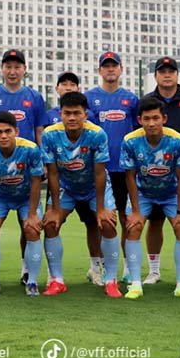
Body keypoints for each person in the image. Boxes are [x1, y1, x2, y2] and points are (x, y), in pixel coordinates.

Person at [40, 92, 121, 298]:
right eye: (67, 113)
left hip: (95, 187)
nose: (72, 117)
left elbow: (100, 171)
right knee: (50, 223)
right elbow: (53, 172)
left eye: (77, 113)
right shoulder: (50, 135)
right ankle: (56, 280)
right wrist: (55, 208)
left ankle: (111, 280)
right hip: (67, 187)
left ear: (85, 114)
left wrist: (102, 208)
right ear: (61, 114)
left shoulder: (97, 134)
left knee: (109, 223)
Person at [119, 97, 180, 301]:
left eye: (156, 118)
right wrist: (135, 211)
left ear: (164, 118)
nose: (151, 123)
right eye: (147, 119)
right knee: (133, 227)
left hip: (171, 193)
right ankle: (135, 283)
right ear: (139, 120)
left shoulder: (178, 140)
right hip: (143, 192)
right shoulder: (130, 141)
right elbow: (129, 176)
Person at [141, 57, 180, 286]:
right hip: (153, 172)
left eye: (171, 71)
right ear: (155, 75)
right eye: (162, 71)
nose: (167, 75)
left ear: (177, 75)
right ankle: (154, 271)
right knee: (154, 222)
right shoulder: (146, 101)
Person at [41, 71, 101, 288]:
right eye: (63, 83)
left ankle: (96, 269)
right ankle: (53, 275)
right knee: (51, 221)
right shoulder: (49, 119)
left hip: (88, 180)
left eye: (72, 84)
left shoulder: (92, 123)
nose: (68, 87)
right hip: (62, 181)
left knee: (95, 223)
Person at [84, 51, 139, 284]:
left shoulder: (131, 99)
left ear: (121, 69)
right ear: (99, 71)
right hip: (99, 169)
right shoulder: (89, 98)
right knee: (97, 220)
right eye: (105, 66)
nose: (110, 70)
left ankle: (127, 266)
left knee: (126, 218)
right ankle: (97, 266)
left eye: (113, 66)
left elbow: (138, 132)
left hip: (124, 169)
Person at [0, 112, 46, 296]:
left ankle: (32, 282)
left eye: (8, 131)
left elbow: (36, 181)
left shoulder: (31, 149)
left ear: (16, 131)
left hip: (26, 196)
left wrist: (32, 214)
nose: (3, 136)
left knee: (32, 229)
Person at [0, 50, 47, 144]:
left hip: (27, 154)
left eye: (17, 67)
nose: (12, 72)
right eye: (8, 67)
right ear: (2, 68)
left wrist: (42, 156)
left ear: (24, 68)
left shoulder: (35, 97)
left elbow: (39, 131)